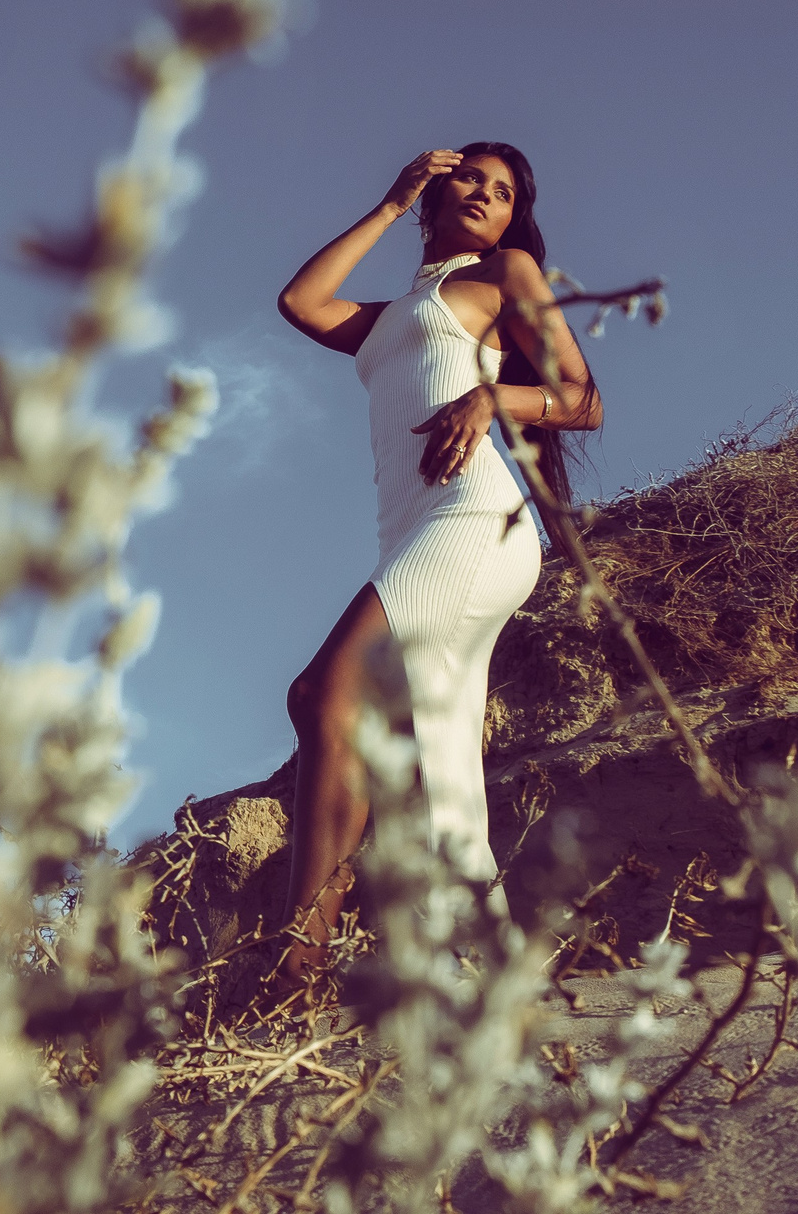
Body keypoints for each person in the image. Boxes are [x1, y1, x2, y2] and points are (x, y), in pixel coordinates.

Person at [272, 142, 601, 981]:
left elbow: (583, 399)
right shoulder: (389, 318)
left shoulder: (507, 273)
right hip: (412, 529)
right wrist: (388, 204)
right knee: (438, 774)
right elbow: (301, 301)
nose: (485, 197)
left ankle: (295, 963)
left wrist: (493, 395)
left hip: (473, 518)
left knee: (323, 694)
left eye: (502, 192)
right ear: (436, 188)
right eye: (472, 179)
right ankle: (485, 970)